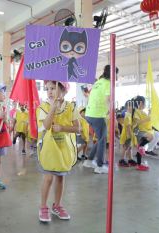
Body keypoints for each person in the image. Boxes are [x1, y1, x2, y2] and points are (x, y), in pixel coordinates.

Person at [37, 81, 79, 223]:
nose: (49, 91)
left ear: (63, 90)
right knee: (48, 178)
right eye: (47, 88)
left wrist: (62, 128)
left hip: (64, 149)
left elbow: (77, 128)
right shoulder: (43, 107)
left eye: (53, 88)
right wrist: (53, 108)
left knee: (60, 178)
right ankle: (43, 207)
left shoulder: (71, 107)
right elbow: (46, 126)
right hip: (49, 148)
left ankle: (57, 205)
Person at [83, 65, 118, 174]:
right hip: (97, 115)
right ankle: (100, 166)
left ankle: (89, 161)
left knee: (100, 138)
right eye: (116, 73)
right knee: (103, 139)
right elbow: (108, 101)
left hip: (89, 114)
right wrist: (113, 116)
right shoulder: (108, 83)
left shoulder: (98, 82)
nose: (117, 76)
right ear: (113, 74)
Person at [132, 96, 153, 171]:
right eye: (145, 103)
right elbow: (137, 122)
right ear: (140, 103)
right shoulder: (136, 111)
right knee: (150, 137)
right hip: (138, 131)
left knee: (140, 149)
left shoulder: (142, 112)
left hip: (143, 130)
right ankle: (141, 146)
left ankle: (139, 164)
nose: (145, 105)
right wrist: (147, 118)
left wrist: (149, 113)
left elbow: (147, 120)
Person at [118, 100, 137, 167]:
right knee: (125, 147)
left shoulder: (129, 115)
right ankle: (121, 160)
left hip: (129, 134)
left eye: (132, 106)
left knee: (129, 147)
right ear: (127, 107)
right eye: (129, 106)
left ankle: (130, 159)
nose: (131, 108)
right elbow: (128, 126)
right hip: (127, 135)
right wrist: (130, 135)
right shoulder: (127, 115)